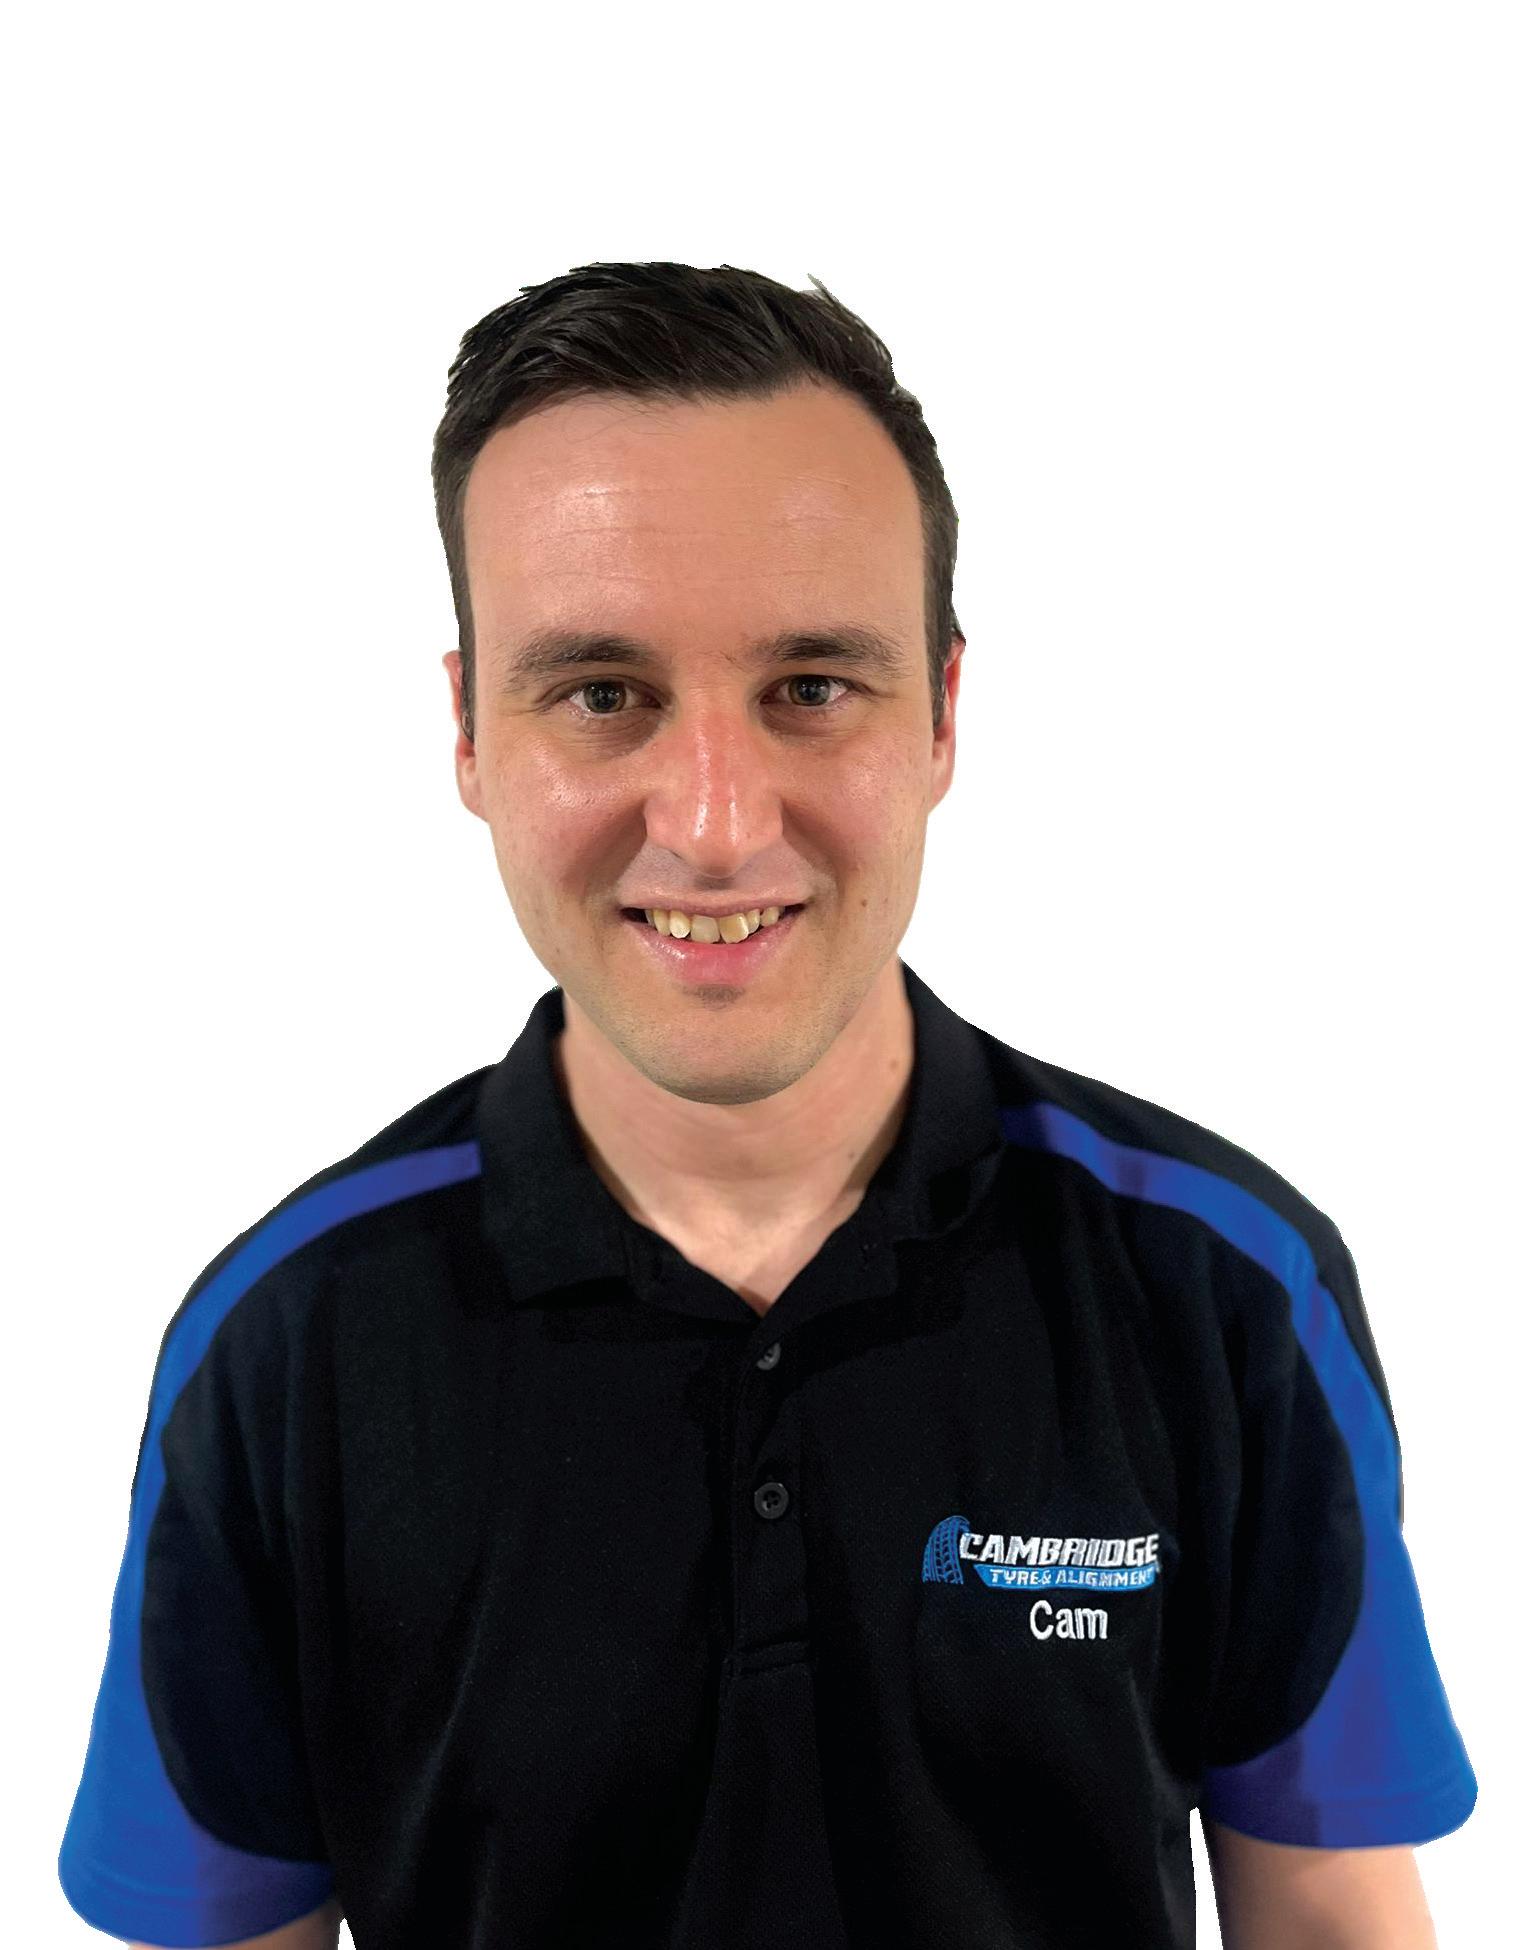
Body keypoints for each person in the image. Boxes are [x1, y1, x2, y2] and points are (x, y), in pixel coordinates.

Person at [57, 261, 1476, 1950]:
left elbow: (1328, 1909)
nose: (716, 823)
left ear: (942, 714)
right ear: (469, 734)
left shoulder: (1225, 1286)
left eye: (810, 686)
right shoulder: (282, 1346)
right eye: (603, 693)